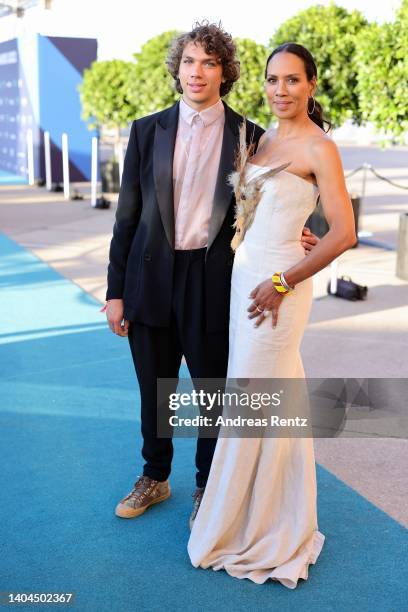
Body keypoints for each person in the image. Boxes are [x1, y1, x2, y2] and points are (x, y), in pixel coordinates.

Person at [105, 24, 318, 526]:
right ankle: (154, 477)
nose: (196, 72)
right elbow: (126, 218)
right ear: (177, 71)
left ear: (225, 73)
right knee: (154, 388)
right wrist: (115, 292)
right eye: (188, 62)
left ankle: (207, 485)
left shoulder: (252, 136)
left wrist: (306, 229)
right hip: (150, 278)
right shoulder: (145, 130)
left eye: (208, 63)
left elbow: (291, 195)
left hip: (214, 279)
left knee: (212, 393)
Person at [187, 42, 356, 588]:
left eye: (291, 80)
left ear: (310, 85)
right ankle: (249, 514)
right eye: (272, 80)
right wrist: (303, 235)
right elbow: (268, 214)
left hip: (279, 287)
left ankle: (265, 526)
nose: (280, 90)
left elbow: (345, 231)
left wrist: (288, 276)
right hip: (246, 278)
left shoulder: (319, 147)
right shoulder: (263, 139)